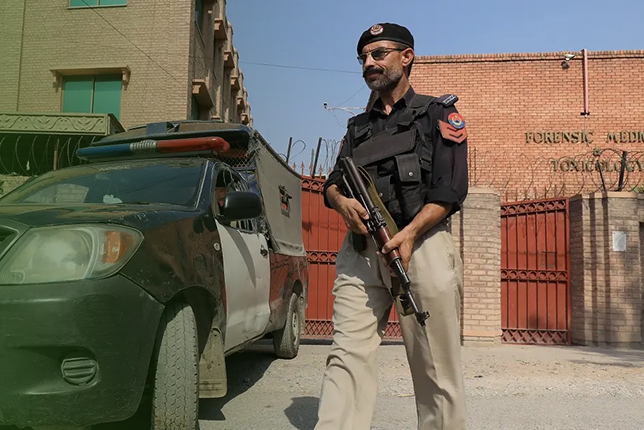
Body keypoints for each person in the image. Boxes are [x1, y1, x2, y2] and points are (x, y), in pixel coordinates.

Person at [314, 22, 469, 430]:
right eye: (364, 57)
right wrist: (341, 202)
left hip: (421, 247)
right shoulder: (357, 127)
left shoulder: (438, 113)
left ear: (407, 56)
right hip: (362, 254)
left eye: (378, 54)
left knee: (435, 363)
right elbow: (331, 182)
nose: (369, 63)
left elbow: (451, 190)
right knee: (346, 356)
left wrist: (410, 234)